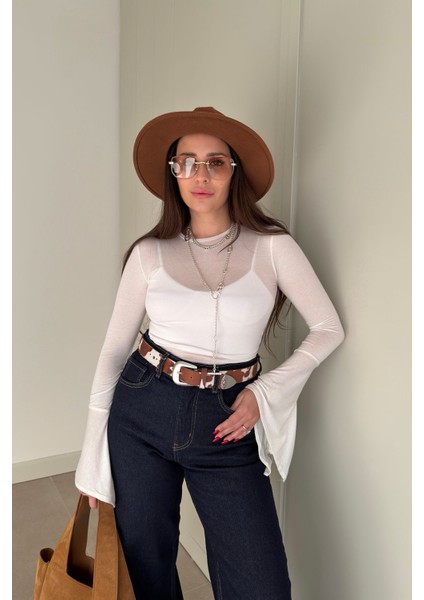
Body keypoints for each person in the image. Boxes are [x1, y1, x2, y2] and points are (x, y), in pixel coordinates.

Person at [75, 106, 344, 599]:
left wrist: (264, 392)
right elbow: (113, 352)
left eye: (215, 162)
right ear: (173, 172)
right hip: (142, 408)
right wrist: (91, 458)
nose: (200, 176)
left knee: (259, 584)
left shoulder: (272, 247)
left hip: (227, 420)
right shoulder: (149, 253)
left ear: (234, 172)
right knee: (145, 569)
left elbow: (329, 328)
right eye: (187, 163)